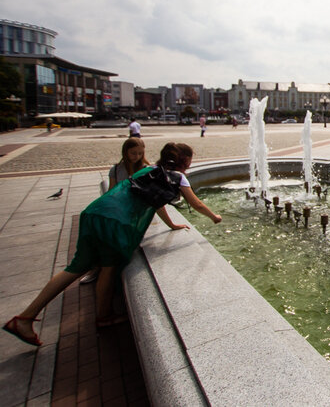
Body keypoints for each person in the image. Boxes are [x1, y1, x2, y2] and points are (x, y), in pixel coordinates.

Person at [3, 143, 222, 346]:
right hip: (115, 222)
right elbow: (197, 203)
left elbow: (155, 203)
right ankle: (36, 318)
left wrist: (173, 224)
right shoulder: (177, 178)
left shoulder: (149, 171)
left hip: (95, 212)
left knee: (77, 268)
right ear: (185, 161)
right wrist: (214, 217)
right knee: (107, 269)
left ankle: (36, 316)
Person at [82, 138, 152, 285]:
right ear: (125, 152)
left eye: (140, 153)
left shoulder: (146, 169)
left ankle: (103, 270)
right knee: (99, 235)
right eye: (133, 153)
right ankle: (95, 268)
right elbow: (111, 192)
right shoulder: (116, 169)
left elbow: (150, 196)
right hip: (118, 210)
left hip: (134, 213)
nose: (137, 156)